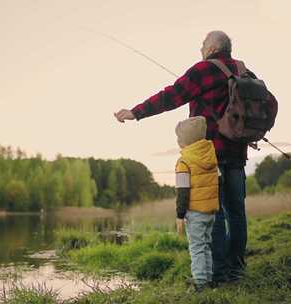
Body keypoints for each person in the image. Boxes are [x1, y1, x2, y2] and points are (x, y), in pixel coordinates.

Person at [114, 31, 275, 282]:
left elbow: (171, 95)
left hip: (210, 155)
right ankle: (236, 269)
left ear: (212, 47)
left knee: (217, 212)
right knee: (237, 212)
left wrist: (136, 112)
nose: (200, 48)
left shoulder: (203, 70)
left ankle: (219, 273)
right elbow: (268, 104)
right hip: (239, 152)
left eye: (202, 44)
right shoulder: (245, 71)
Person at [174, 116, 219, 292]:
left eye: (179, 138)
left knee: (197, 247)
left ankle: (200, 282)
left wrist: (179, 215)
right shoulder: (210, 155)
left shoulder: (184, 161)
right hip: (210, 212)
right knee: (206, 245)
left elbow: (182, 191)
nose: (178, 142)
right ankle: (207, 279)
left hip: (195, 212)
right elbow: (218, 182)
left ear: (184, 141)